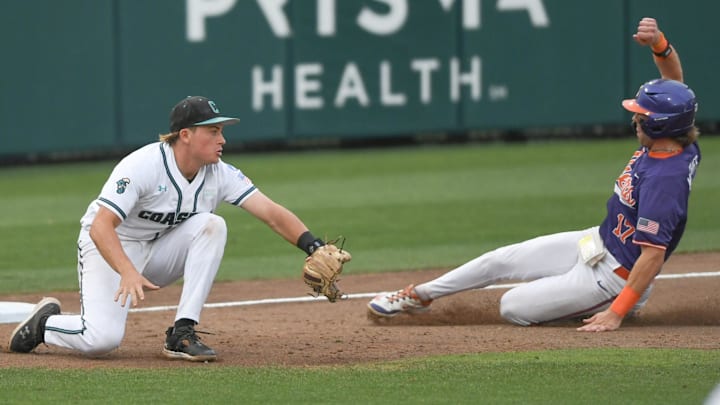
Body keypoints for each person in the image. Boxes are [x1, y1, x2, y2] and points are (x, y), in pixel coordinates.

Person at [368, 17, 700, 332]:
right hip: (599, 241)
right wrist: (659, 43)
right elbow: (675, 87)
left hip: (617, 277)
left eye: (642, 116)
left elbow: (653, 256)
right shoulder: (677, 139)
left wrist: (616, 312)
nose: (635, 119)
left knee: (512, 307)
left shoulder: (664, 182)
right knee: (500, 260)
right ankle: (420, 295)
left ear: (660, 124)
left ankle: (602, 303)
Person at [8, 96, 337, 361]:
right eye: (213, 131)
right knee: (100, 340)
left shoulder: (219, 172)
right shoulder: (144, 166)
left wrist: (314, 246)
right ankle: (44, 324)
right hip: (111, 248)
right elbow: (100, 226)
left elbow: (270, 212)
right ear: (186, 135)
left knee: (212, 225)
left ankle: (182, 332)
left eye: (221, 131)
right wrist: (127, 270)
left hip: (157, 252)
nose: (222, 139)